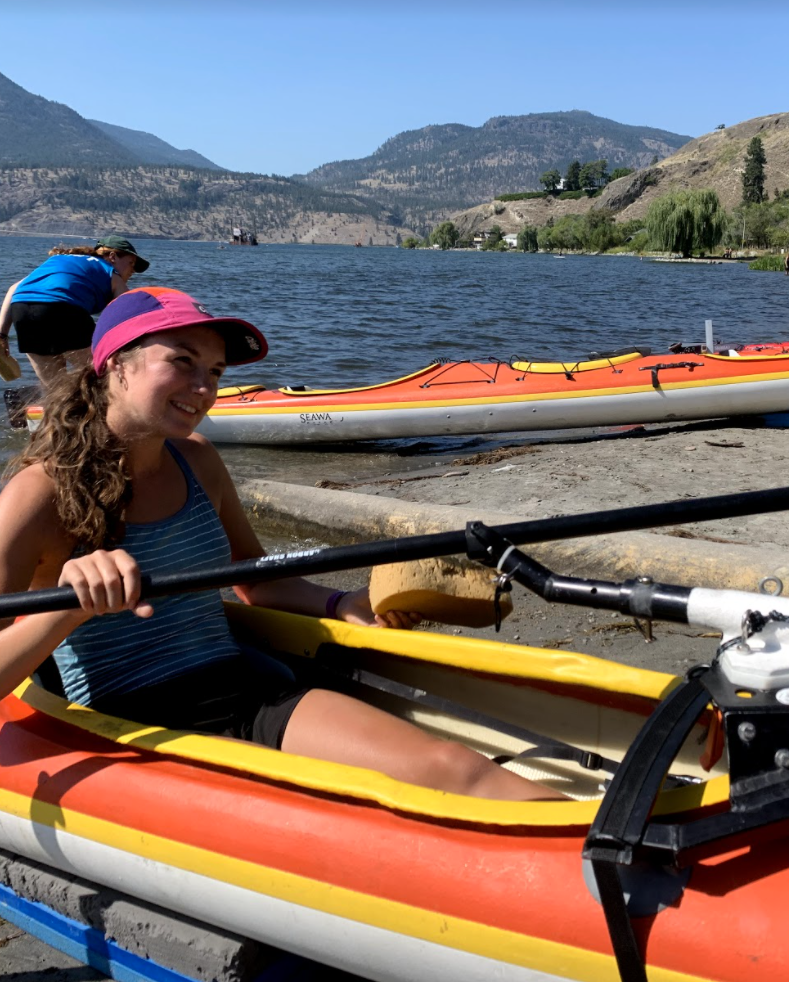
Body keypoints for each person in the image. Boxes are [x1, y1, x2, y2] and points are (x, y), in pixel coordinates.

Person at [0, 286, 564, 802]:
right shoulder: (36, 495)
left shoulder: (198, 460)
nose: (204, 389)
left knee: (454, 768)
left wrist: (339, 604)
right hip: (130, 725)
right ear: (115, 365)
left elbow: (255, 578)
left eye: (215, 371)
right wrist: (67, 610)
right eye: (182, 362)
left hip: (239, 690)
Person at [0, 236, 149, 386]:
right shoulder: (110, 272)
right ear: (112, 257)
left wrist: (2, 335)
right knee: (102, 377)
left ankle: (60, 407)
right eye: (131, 263)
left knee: (55, 388)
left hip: (21, 310)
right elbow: (126, 311)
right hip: (63, 309)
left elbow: (13, 289)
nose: (133, 271)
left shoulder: (62, 260)